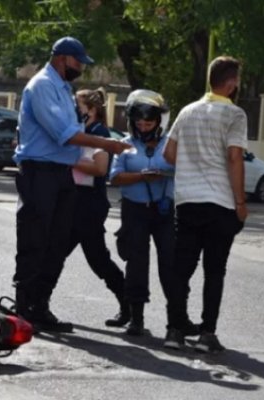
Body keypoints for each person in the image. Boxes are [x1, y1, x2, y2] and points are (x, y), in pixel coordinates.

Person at [14, 36, 131, 333]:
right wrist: (106, 143)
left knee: (57, 242)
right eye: (77, 61)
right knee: (35, 239)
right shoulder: (42, 86)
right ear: (62, 58)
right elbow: (64, 134)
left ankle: (40, 305)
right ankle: (25, 306)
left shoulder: (63, 89)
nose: (80, 67)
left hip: (61, 173)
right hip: (40, 172)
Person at [163, 56, 248, 353]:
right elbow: (235, 158)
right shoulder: (235, 115)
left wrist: (193, 163)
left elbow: (169, 154)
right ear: (231, 82)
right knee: (215, 271)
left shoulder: (187, 111)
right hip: (221, 203)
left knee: (181, 268)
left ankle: (173, 331)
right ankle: (206, 334)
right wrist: (240, 202)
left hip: (187, 201)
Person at [109, 89, 176, 336]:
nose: (144, 126)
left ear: (159, 122)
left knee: (170, 264)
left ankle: (176, 320)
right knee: (136, 263)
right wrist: (141, 176)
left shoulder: (170, 144)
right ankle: (136, 319)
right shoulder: (125, 145)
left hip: (164, 211)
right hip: (134, 210)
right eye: (139, 122)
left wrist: (164, 175)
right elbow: (115, 177)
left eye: (149, 122)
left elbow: (183, 168)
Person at [66, 87, 128, 327]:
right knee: (56, 252)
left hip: (89, 204)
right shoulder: (82, 131)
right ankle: (37, 302)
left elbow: (101, 168)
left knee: (97, 258)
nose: (74, 111)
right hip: (77, 201)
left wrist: (70, 160)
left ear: (91, 109)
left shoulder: (98, 133)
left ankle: (128, 303)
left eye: (78, 106)